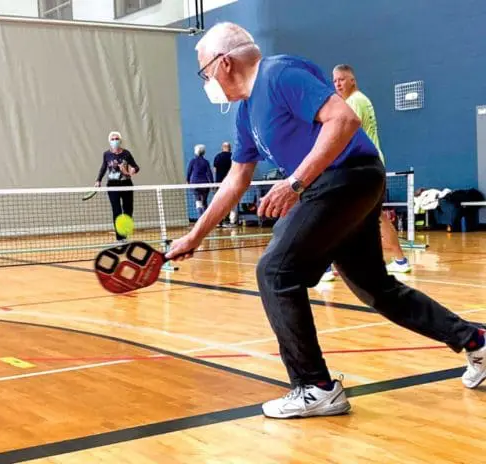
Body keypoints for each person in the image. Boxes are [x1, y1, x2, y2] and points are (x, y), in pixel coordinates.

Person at [166, 22, 485, 419]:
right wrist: (196, 234)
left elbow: (343, 120)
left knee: (276, 272)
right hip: (344, 182)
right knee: (376, 287)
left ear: (225, 63)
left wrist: (295, 182)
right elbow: (237, 177)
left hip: (345, 177)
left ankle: (314, 386)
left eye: (205, 72)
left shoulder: (278, 73)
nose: (207, 82)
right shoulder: (246, 112)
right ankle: (476, 341)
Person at [318, 64, 410, 282]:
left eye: (342, 79)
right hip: (371, 166)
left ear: (353, 80)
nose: (338, 84)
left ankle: (327, 267)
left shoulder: (354, 102)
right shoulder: (360, 100)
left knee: (331, 214)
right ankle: (399, 260)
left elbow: (344, 134)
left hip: (358, 167)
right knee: (376, 216)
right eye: (335, 81)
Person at [95, 131, 140, 242]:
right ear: (109, 141)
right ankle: (120, 238)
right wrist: (98, 180)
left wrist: (132, 170)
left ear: (120, 140)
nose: (115, 141)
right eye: (112, 139)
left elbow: (136, 167)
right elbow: (103, 168)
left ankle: (124, 232)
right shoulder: (106, 154)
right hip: (112, 185)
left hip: (126, 185)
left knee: (128, 210)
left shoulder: (126, 154)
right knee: (117, 211)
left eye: (116, 139)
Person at [213, 142, 238, 227]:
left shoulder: (217, 157)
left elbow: (215, 170)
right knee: (233, 202)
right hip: (231, 183)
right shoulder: (233, 157)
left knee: (219, 202)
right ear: (229, 148)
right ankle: (232, 221)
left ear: (222, 147)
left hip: (219, 183)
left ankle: (219, 221)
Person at [186, 144, 214, 219]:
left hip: (195, 184)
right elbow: (209, 173)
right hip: (205, 184)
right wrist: (212, 184)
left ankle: (201, 218)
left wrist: (188, 181)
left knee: (198, 201)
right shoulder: (206, 162)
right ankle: (206, 218)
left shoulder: (192, 161)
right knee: (204, 202)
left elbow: (189, 172)